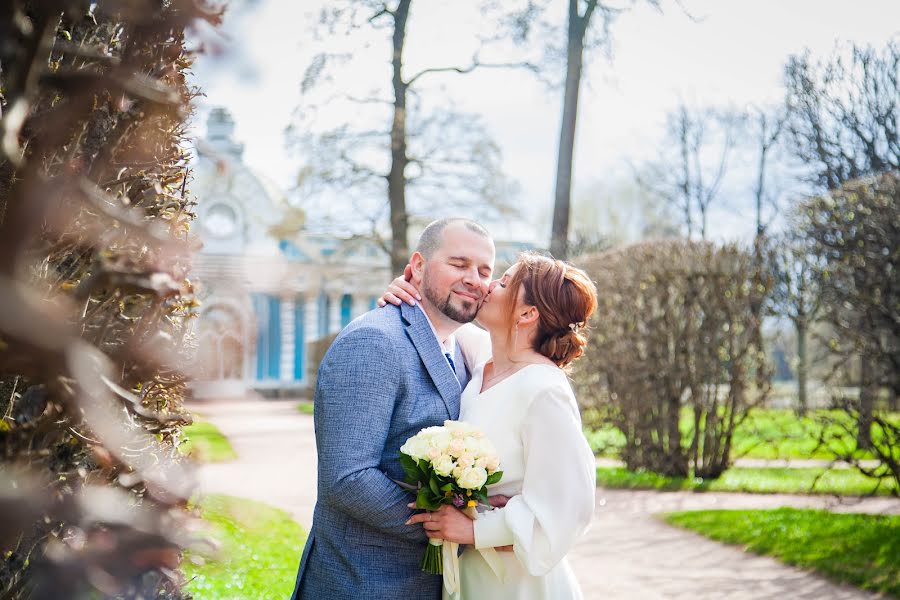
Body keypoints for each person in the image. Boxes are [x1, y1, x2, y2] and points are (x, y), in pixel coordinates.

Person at [290, 218, 495, 600]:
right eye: (459, 263)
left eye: (484, 271)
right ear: (417, 266)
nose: (474, 279)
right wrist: (441, 525)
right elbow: (348, 478)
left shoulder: (469, 351)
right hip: (363, 580)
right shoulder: (374, 341)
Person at [386, 251, 598, 600]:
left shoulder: (543, 390)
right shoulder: (485, 360)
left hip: (518, 586)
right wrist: (407, 293)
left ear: (528, 313)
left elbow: (569, 506)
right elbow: (441, 323)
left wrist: (476, 530)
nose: (487, 285)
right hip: (473, 578)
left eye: (503, 282)